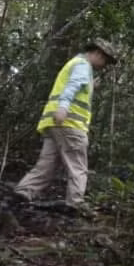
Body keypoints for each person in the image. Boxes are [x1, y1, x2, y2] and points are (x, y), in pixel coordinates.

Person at [13, 38, 119, 210]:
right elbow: (72, 86)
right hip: (70, 123)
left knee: (47, 163)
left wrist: (91, 86)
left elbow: (76, 87)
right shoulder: (83, 65)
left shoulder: (75, 63)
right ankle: (75, 203)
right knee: (78, 165)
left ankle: (24, 191)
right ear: (98, 53)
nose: (104, 65)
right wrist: (63, 108)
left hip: (54, 123)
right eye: (105, 61)